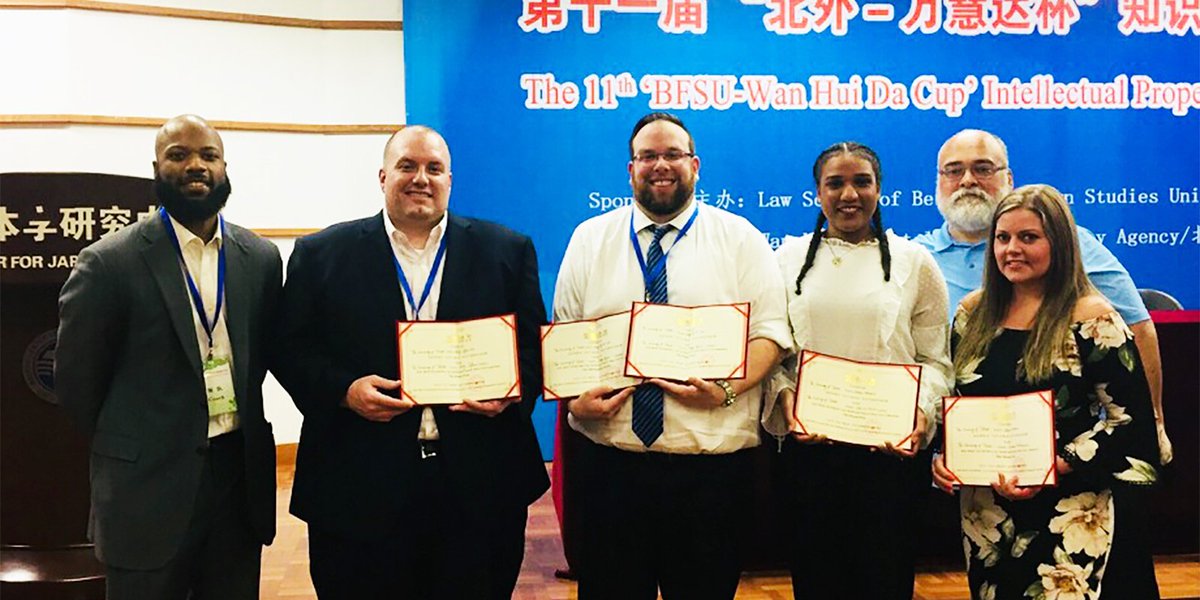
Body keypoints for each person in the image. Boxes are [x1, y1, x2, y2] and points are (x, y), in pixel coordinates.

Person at [271, 126, 548, 599]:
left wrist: (508, 394)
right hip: (358, 486)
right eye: (407, 166)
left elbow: (534, 351)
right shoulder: (321, 255)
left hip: (479, 486)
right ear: (382, 176)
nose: (421, 178)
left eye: (434, 169)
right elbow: (288, 349)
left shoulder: (505, 250)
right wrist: (343, 390)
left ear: (450, 181)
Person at [914, 129, 1170, 599]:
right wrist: (943, 458)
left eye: (1029, 238)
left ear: (1059, 243)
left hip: (1067, 507)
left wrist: (1058, 463)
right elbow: (955, 399)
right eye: (1004, 238)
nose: (1013, 249)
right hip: (985, 509)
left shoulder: (1094, 317)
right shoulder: (970, 314)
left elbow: (1127, 421)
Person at [553, 112, 791, 599]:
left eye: (673, 155)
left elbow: (770, 334)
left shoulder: (741, 237)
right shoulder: (589, 238)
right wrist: (575, 402)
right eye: (648, 156)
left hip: (710, 472)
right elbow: (566, 337)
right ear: (630, 169)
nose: (661, 166)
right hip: (610, 466)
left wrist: (728, 388)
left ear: (695, 164)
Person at [56, 114, 282, 599]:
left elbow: (265, 354)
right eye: (178, 155)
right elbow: (76, 382)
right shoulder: (109, 262)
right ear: (156, 167)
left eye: (208, 156)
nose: (195, 166)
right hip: (146, 485)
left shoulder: (260, 258)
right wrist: (135, 443)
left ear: (224, 167)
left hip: (237, 481)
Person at [763, 141, 953, 599]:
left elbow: (936, 362)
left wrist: (921, 415)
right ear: (818, 193)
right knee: (816, 580)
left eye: (861, 182)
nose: (849, 194)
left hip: (888, 459)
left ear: (879, 189)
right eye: (836, 183)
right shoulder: (785, 260)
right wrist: (786, 401)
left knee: (884, 579)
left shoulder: (915, 262)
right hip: (810, 455)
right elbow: (774, 354)